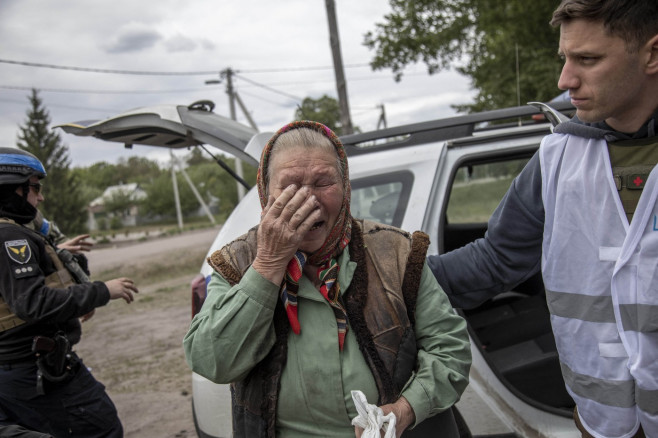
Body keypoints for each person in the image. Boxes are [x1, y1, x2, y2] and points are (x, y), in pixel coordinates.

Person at [427, 1, 658, 437]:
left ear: (651, 54)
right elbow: (495, 261)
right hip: (604, 423)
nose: (565, 80)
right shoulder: (558, 157)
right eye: (566, 58)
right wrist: (382, 269)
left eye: (588, 59)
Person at [183, 121, 471, 438]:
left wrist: (404, 411)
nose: (308, 200)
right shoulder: (237, 261)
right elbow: (212, 362)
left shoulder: (397, 253)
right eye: (290, 185)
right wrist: (269, 263)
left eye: (323, 182)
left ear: (346, 187)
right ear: (266, 193)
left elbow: (450, 351)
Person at [0, 147, 139, 437]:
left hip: (25, 369)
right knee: (101, 429)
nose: (41, 197)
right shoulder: (10, 237)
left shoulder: (13, 233)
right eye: (35, 187)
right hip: (34, 370)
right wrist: (103, 291)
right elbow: (32, 302)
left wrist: (61, 256)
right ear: (12, 188)